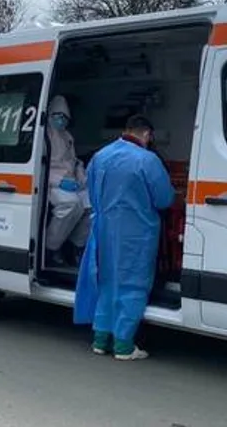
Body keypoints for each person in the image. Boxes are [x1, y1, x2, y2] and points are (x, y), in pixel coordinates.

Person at [73, 115, 175, 361]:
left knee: (107, 282)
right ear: (147, 135)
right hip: (136, 234)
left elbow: (92, 192)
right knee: (132, 285)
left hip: (104, 230)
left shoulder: (100, 156)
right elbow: (164, 199)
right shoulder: (147, 160)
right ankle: (124, 346)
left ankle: (100, 340)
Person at [45, 96, 90, 267]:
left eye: (64, 117)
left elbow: (74, 161)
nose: (61, 120)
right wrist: (59, 181)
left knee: (92, 205)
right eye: (57, 115)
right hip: (52, 184)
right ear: (49, 114)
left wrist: (81, 177)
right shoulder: (44, 136)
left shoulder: (67, 136)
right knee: (71, 204)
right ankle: (51, 248)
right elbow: (38, 167)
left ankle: (75, 247)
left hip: (71, 181)